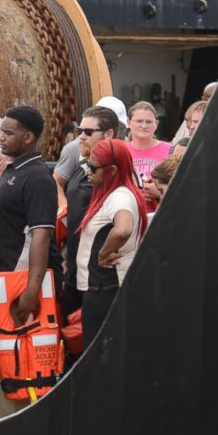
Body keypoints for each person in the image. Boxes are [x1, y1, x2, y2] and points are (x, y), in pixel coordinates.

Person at [0, 105, 59, 416]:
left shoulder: (38, 177)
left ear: (28, 137)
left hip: (19, 284)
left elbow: (41, 235)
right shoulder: (14, 169)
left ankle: (20, 430)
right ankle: (5, 421)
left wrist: (31, 289)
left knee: (21, 360)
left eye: (9, 133)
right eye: (1, 131)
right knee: (5, 358)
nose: (1, 138)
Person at [74, 138, 150, 345]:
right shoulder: (117, 193)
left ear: (113, 170)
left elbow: (123, 229)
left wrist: (104, 253)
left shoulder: (120, 196)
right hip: (104, 289)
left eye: (93, 166)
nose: (87, 170)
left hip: (106, 290)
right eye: (86, 163)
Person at [56, 106, 121, 314]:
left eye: (88, 132)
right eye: (79, 130)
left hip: (97, 277)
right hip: (76, 268)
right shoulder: (84, 165)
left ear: (108, 134)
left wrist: (105, 254)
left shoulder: (112, 171)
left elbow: (123, 225)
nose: (81, 136)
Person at [124, 100, 172, 189]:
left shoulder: (170, 150)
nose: (144, 126)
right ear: (128, 123)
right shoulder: (122, 151)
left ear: (156, 125)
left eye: (149, 122)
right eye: (139, 121)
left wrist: (159, 191)